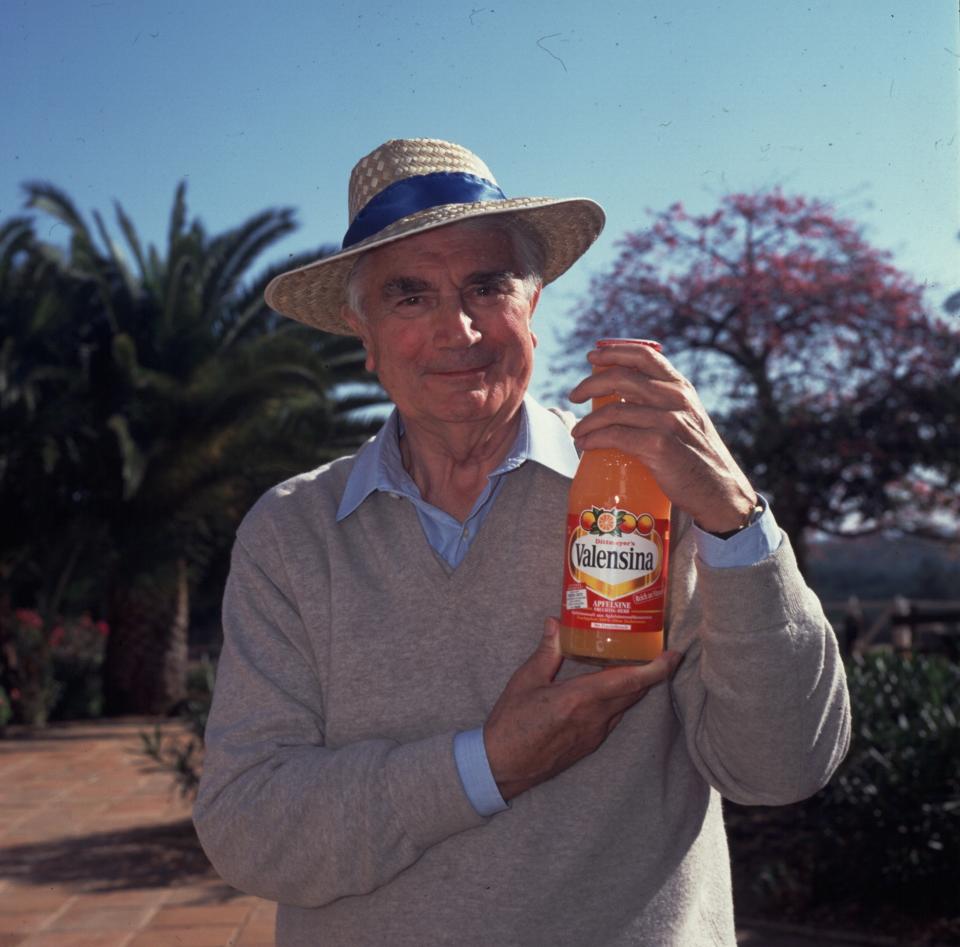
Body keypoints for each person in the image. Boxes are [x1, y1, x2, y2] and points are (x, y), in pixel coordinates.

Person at [193, 138, 850, 947]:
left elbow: (785, 766)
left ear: (532, 308)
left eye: (486, 285)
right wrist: (490, 764)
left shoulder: (653, 493)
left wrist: (736, 517)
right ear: (362, 338)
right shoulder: (292, 532)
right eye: (409, 296)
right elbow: (248, 827)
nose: (458, 327)